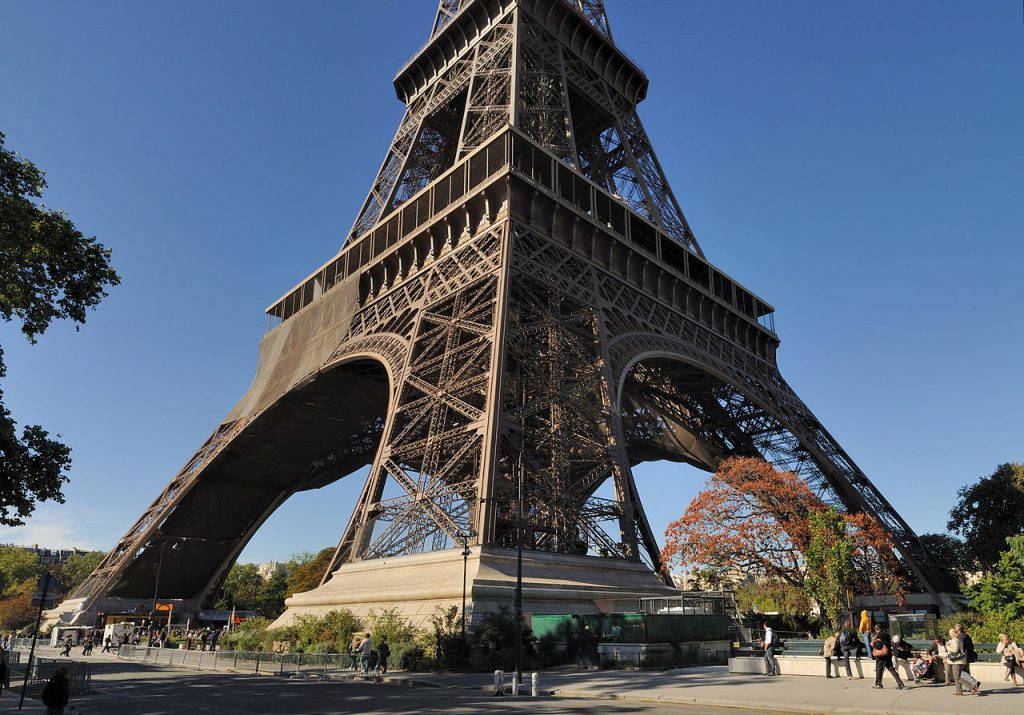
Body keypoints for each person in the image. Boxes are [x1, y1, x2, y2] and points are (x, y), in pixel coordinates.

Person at [869, 623, 905, 690]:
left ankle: (878, 684)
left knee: (879, 669)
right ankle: (900, 683)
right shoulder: (886, 634)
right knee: (891, 669)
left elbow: (879, 646)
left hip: (881, 655)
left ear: (876, 629)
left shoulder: (879, 635)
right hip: (888, 654)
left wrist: (872, 644)